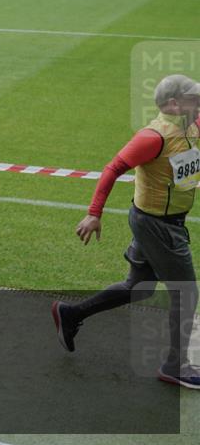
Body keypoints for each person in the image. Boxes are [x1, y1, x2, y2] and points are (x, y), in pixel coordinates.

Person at [52, 74, 200, 389]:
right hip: (160, 226)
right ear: (173, 104)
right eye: (193, 96)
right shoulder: (153, 136)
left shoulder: (188, 124)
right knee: (186, 293)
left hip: (156, 222)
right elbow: (113, 168)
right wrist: (94, 214)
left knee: (140, 287)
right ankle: (175, 366)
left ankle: (71, 314)